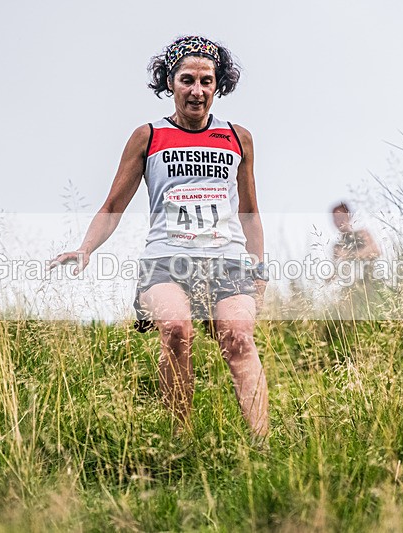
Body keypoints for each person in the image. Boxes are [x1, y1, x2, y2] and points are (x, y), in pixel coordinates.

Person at [49, 36, 269, 439]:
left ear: (219, 85)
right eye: (187, 79)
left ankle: (263, 447)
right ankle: (182, 442)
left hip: (228, 259)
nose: (197, 91)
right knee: (176, 329)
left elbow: (249, 211)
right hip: (166, 259)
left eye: (207, 81)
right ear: (170, 82)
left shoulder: (238, 137)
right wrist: (85, 249)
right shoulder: (148, 136)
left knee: (238, 338)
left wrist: (260, 265)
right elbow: (113, 205)